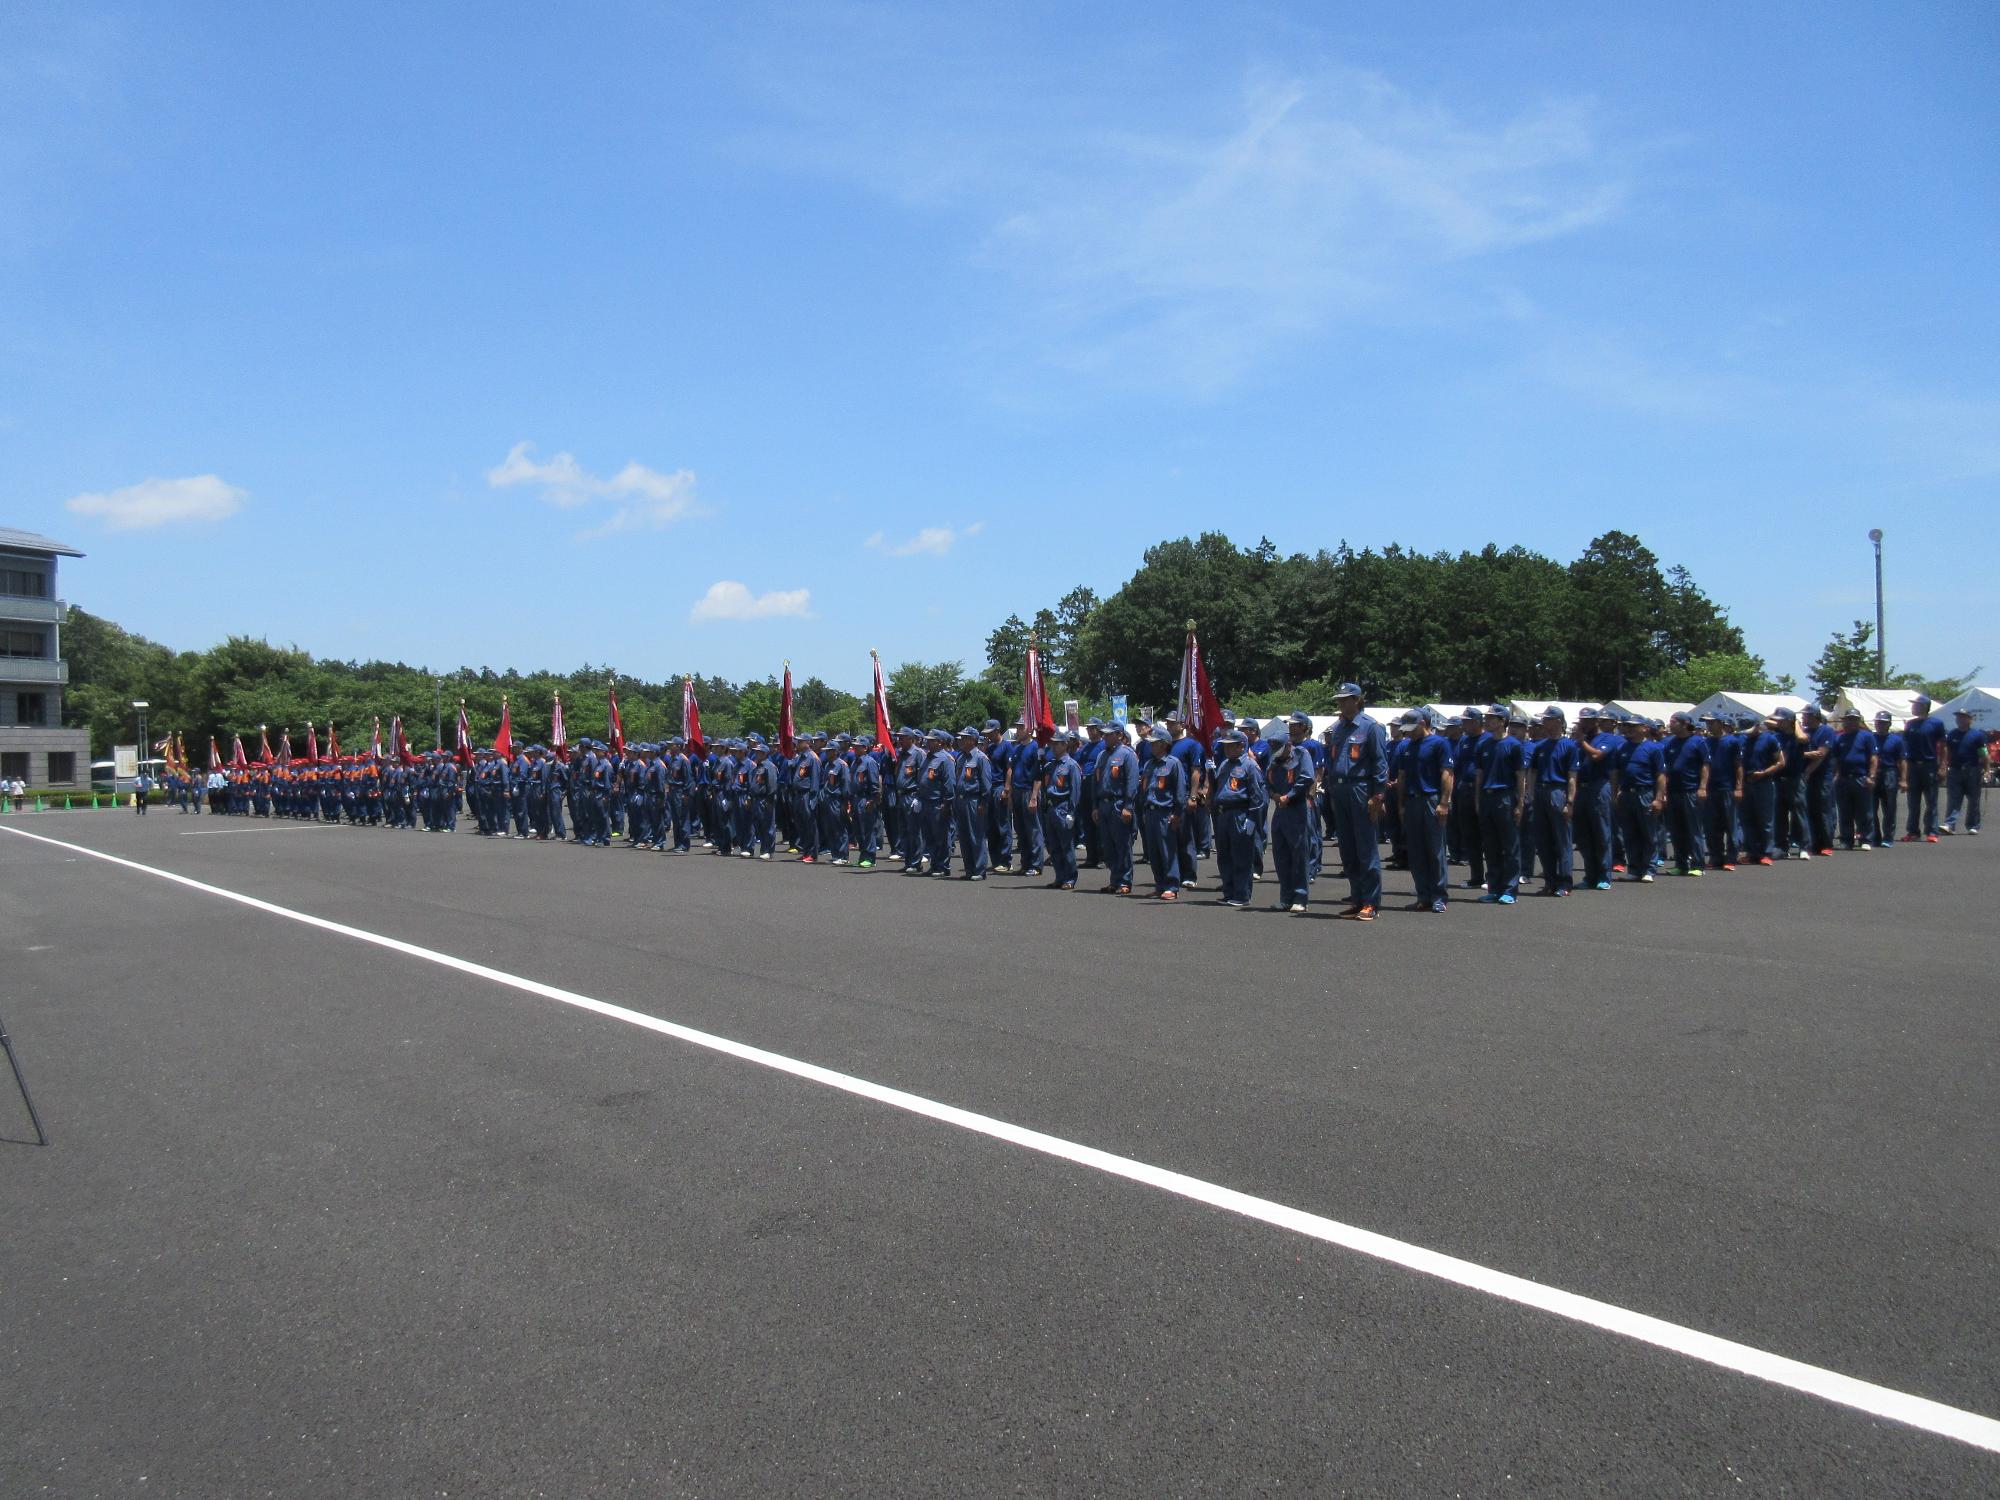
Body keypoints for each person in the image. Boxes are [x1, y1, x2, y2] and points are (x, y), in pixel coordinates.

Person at [1319, 684, 1387, 920]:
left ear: (1357, 700)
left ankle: (1371, 902)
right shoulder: (1338, 729)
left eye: (1346, 699)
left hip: (1360, 788)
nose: (1341, 704)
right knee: (1348, 849)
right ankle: (1357, 898)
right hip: (1339, 789)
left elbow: (1380, 763)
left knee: (1366, 848)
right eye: (1339, 700)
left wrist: (1378, 796)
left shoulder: (1371, 727)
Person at [1393, 710, 1452, 913]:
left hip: (1431, 799)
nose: (1409, 733)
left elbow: (1447, 774)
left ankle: (1439, 896)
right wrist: (1400, 804)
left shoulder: (1439, 743)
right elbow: (1401, 777)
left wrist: (1444, 803)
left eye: (1412, 728)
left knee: (1435, 850)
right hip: (1411, 801)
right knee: (1416, 851)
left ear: (1424, 723)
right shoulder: (1405, 746)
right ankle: (1423, 895)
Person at [1208, 726, 1266, 908]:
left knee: (1241, 856)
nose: (1227, 749)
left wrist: (1252, 818)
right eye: (1225, 746)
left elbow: (1257, 796)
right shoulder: (1225, 764)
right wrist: (1210, 772)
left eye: (1231, 746)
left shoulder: (1250, 766)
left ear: (1242, 746)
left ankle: (1241, 894)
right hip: (1223, 813)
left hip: (1240, 812)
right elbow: (1219, 787)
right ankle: (1229, 891)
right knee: (1224, 855)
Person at [1475, 705, 1525, 904]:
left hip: (1505, 796)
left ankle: (1510, 889)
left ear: (1502, 721)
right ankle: (1494, 888)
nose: (1487, 721)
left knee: (1510, 845)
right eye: (1487, 718)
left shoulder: (1513, 745)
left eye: (1492, 718)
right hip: (1487, 796)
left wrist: (1520, 804)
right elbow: (1479, 775)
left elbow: (1520, 776)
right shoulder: (1483, 745)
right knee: (1490, 845)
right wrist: (1477, 799)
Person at [1528, 707, 1579, 894]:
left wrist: (1570, 802)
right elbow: (1532, 772)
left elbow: (1572, 775)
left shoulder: (1569, 746)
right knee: (1543, 840)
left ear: (1558, 722)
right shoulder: (1540, 747)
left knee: (1562, 839)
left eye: (1548, 720)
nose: (1544, 724)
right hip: (1541, 790)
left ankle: (1565, 882)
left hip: (1558, 791)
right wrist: (1531, 794)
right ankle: (1550, 881)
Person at [1610, 714, 1665, 882]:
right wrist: (1614, 794)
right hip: (1626, 793)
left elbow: (1661, 775)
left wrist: (1659, 798)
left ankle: (1649, 868)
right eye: (1628, 726)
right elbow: (1615, 773)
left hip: (1645, 793)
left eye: (1634, 726)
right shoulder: (1621, 748)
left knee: (1648, 833)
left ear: (1645, 728)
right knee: (1630, 833)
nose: (1630, 729)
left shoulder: (1653, 748)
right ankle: (1634, 868)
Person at [1138, 727, 1188, 900]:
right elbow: (1145, 788)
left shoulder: (1173, 763)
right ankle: (1160, 884)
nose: (1151, 747)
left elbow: (1180, 792)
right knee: (1154, 852)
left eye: (1154, 743)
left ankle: (1172, 886)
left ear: (1163, 744)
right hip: (1150, 812)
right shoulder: (1149, 764)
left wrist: (1177, 814)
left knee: (1167, 850)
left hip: (1165, 812)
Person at [1659, 711, 1709, 875]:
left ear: (1684, 724)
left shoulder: (1698, 742)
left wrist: (1702, 787)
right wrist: (1663, 792)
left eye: (1673, 722)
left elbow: (1705, 766)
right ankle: (1681, 864)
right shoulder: (1670, 743)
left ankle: (1697, 865)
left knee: (1693, 829)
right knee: (1676, 830)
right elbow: (1664, 769)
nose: (1670, 725)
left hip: (1691, 791)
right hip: (1674, 791)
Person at [1094, 721, 1140, 895]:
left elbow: (1132, 782)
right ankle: (1115, 880)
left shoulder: (1127, 755)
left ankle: (1124, 881)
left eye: (1108, 734)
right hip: (1104, 804)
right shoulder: (1102, 755)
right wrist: (1095, 806)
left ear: (1119, 735)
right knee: (1108, 845)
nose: (1104, 737)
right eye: (1104, 734)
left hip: (1119, 804)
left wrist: (1128, 806)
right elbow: (1096, 782)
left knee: (1122, 845)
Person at [1036, 729, 1083, 890]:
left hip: (1063, 807)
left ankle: (1069, 878)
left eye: (1057, 744)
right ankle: (1060, 876)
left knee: (1066, 845)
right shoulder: (1050, 765)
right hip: (1050, 807)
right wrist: (1039, 758)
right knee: (1053, 845)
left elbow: (1075, 792)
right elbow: (1040, 779)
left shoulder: (1071, 766)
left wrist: (1072, 813)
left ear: (1065, 744)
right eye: (1052, 744)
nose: (1053, 747)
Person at [1832, 708, 1879, 850]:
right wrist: (1835, 776)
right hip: (1844, 778)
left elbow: (1873, 757)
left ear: (1859, 721)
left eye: (1854, 719)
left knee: (1864, 811)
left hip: (1861, 777)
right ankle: (1846, 840)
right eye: (1849, 719)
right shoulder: (1839, 737)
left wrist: (1871, 776)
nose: (1852, 722)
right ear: (1844, 720)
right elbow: (1835, 759)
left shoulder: (1866, 736)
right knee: (1845, 811)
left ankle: (1866, 839)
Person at [1902, 695, 1946, 842]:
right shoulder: (1910, 724)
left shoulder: (1936, 723)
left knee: (1931, 800)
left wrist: (1943, 766)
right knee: (1913, 801)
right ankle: (1913, 831)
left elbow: (1943, 746)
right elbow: (1905, 747)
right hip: (1913, 765)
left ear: (1924, 707)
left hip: (1929, 765)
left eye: (1916, 705)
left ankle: (1932, 831)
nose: (1913, 707)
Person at [1942, 708, 1986, 834]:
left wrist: (1987, 770)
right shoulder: (1952, 734)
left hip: (1972, 770)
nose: (1959, 719)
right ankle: (1950, 824)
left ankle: (1973, 825)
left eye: (1963, 717)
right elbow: (1946, 751)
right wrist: (1943, 766)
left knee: (1973, 799)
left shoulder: (1977, 735)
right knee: (1953, 799)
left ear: (1970, 720)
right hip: (1955, 770)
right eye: (1958, 717)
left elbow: (1983, 753)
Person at [1870, 712, 1903, 850]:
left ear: (1889, 724)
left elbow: (1902, 761)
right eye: (1878, 722)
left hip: (1889, 772)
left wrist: (1904, 779)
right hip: (1873, 774)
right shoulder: (1870, 738)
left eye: (1883, 722)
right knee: (1871, 808)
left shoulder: (1896, 740)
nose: (1880, 724)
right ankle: (1875, 837)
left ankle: (1888, 837)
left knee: (1889, 807)